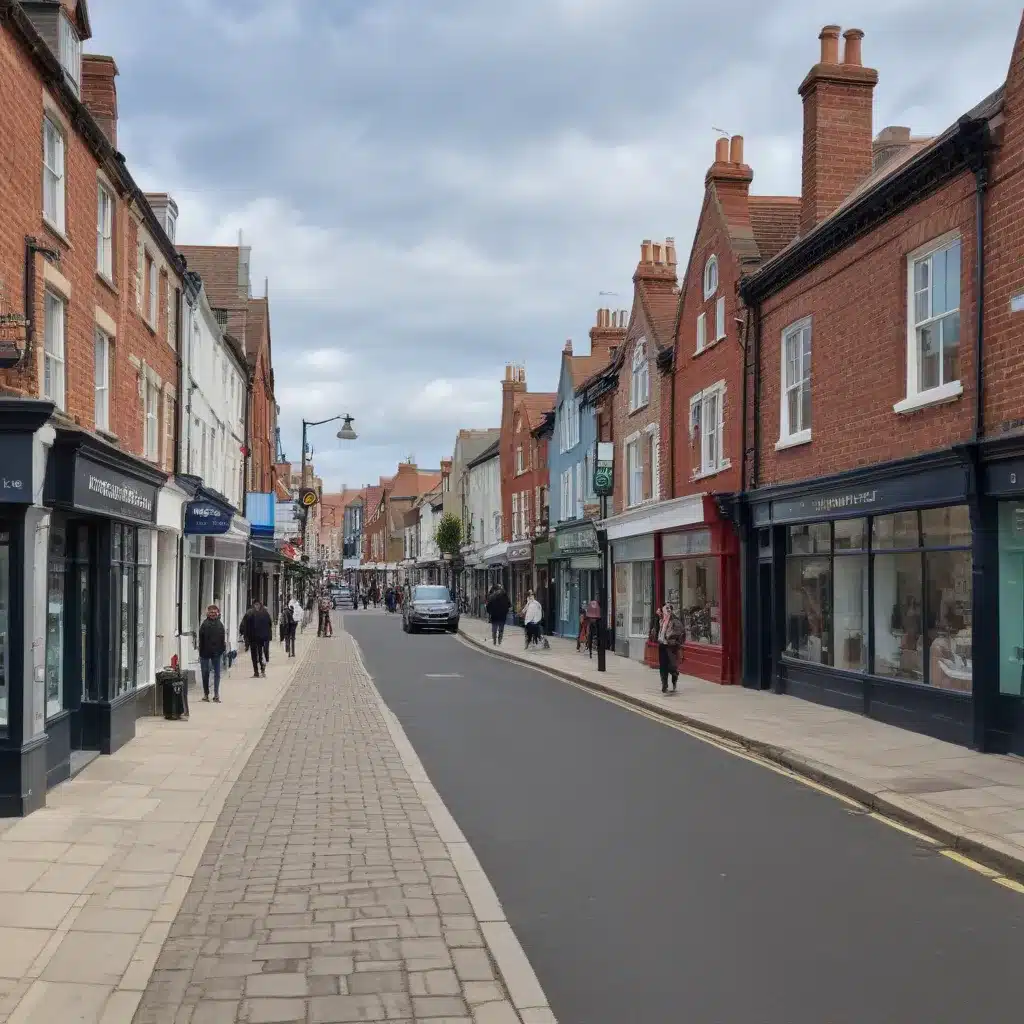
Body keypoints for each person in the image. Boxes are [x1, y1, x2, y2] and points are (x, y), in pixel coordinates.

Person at [197, 604, 226, 702]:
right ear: (208, 614)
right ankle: (206, 694)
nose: (213, 614)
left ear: (217, 613)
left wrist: (222, 651)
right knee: (205, 673)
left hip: (217, 653)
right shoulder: (204, 625)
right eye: (211, 612)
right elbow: (201, 639)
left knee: (217, 674)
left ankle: (216, 694)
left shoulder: (220, 625)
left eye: (214, 612)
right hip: (205, 653)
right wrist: (200, 652)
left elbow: (222, 640)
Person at [656, 603, 686, 694]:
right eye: (666, 608)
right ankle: (664, 685)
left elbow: (681, 634)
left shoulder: (675, 621)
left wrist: (674, 641)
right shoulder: (662, 620)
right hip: (662, 645)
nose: (667, 610)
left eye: (669, 608)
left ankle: (674, 679)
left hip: (671, 646)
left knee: (672, 666)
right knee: (663, 667)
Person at [241, 599, 273, 677]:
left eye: (258, 605)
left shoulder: (252, 612)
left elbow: (269, 624)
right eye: (256, 605)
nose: (257, 606)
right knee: (256, 655)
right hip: (255, 638)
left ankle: (259, 671)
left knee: (257, 654)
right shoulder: (263, 613)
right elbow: (244, 625)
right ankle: (258, 671)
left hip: (258, 638)